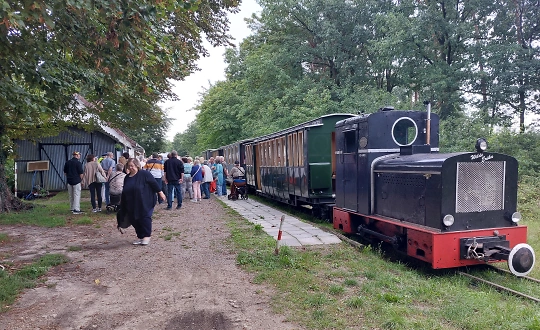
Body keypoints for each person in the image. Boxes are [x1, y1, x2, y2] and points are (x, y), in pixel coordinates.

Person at [117, 158, 165, 245]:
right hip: (131, 202)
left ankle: (147, 236)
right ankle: (141, 236)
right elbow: (125, 189)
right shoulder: (127, 177)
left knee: (144, 217)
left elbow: (154, 183)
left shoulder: (144, 174)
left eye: (132, 166)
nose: (130, 167)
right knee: (134, 219)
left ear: (137, 165)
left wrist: (160, 193)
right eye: (129, 166)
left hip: (145, 201)